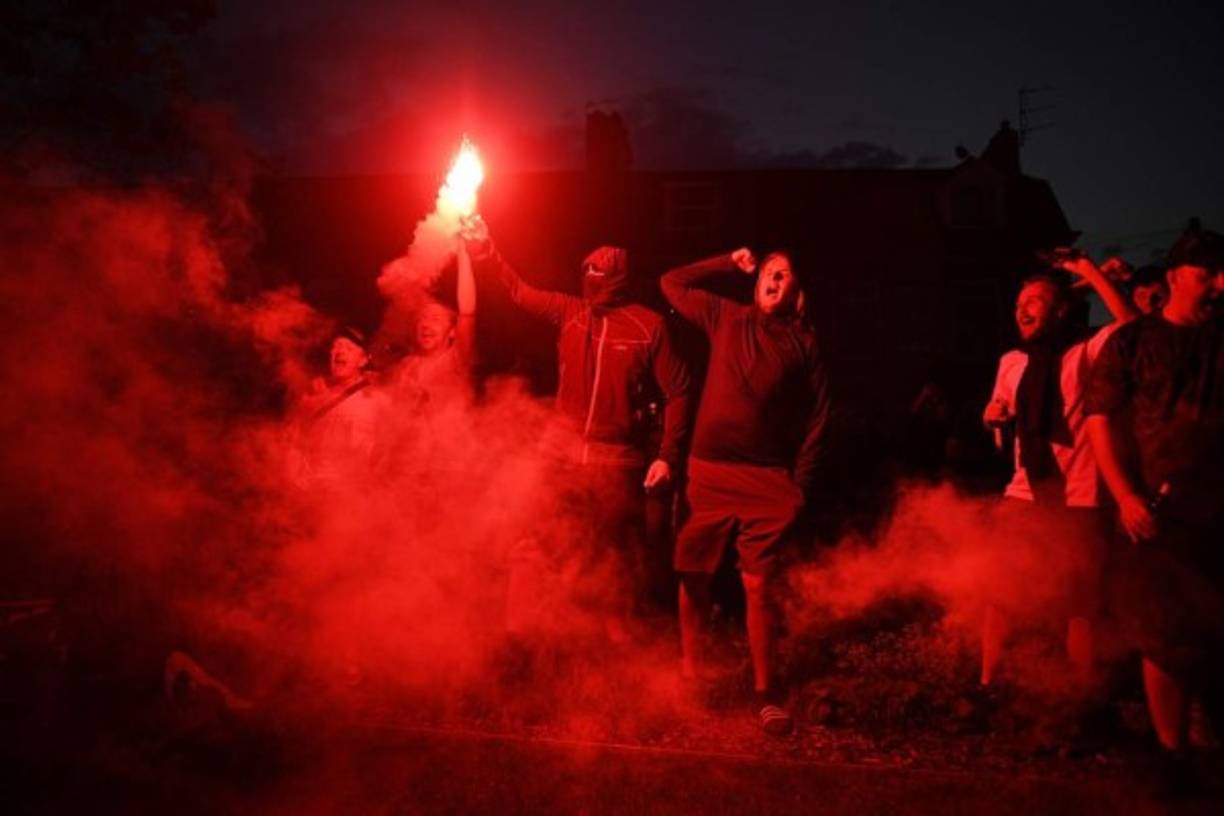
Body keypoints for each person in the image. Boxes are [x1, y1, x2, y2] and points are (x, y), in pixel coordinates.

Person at [463, 217, 692, 641]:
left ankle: (617, 637)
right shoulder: (569, 312)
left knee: (615, 552)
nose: (591, 285)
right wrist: (485, 248)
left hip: (618, 459)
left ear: (619, 280)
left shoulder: (649, 325)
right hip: (560, 455)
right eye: (586, 275)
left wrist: (666, 455)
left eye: (600, 278)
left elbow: (679, 391)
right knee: (540, 540)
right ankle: (525, 634)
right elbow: (516, 289)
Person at [661, 247, 830, 736]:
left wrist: (800, 486)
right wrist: (723, 264)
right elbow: (672, 281)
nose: (776, 281)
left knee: (758, 586)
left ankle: (767, 693)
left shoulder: (804, 344)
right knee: (693, 575)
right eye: (770, 275)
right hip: (708, 472)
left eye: (786, 276)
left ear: (797, 291)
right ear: (756, 286)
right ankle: (691, 677)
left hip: (766, 480)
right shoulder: (726, 316)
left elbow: (819, 419)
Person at [1084, 227, 1224, 788]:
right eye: (1206, 273)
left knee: (1211, 630)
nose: (1218, 284)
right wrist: (1124, 495)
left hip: (1216, 511)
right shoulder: (1131, 342)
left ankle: (1207, 742)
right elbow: (1100, 421)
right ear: (1173, 278)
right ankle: (1172, 753)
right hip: (1155, 513)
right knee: (1162, 633)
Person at [979, 256, 1137, 688]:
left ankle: (1080, 698)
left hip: (1081, 497)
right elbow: (999, 409)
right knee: (998, 591)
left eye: (1034, 301)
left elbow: (1134, 328)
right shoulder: (1012, 360)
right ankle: (988, 687)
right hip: (1025, 492)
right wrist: (991, 414)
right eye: (1018, 303)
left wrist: (1091, 275)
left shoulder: (1086, 350)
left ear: (1062, 309)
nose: (1022, 309)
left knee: (1080, 606)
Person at [286, 327, 388, 490]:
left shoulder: (377, 401)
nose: (340, 352)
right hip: (309, 490)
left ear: (363, 360)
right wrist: (296, 480)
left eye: (348, 348)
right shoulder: (312, 398)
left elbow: (387, 452)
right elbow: (294, 441)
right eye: (336, 346)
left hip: (349, 495)